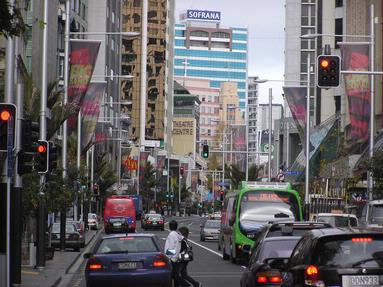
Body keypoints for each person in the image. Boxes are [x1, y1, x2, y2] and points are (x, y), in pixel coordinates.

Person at [164, 220, 183, 287]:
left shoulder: (171, 235)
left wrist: (168, 257)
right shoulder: (178, 235)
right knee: (176, 276)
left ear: (169, 227)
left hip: (172, 259)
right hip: (176, 257)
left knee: (172, 276)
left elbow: (171, 247)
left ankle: (186, 285)